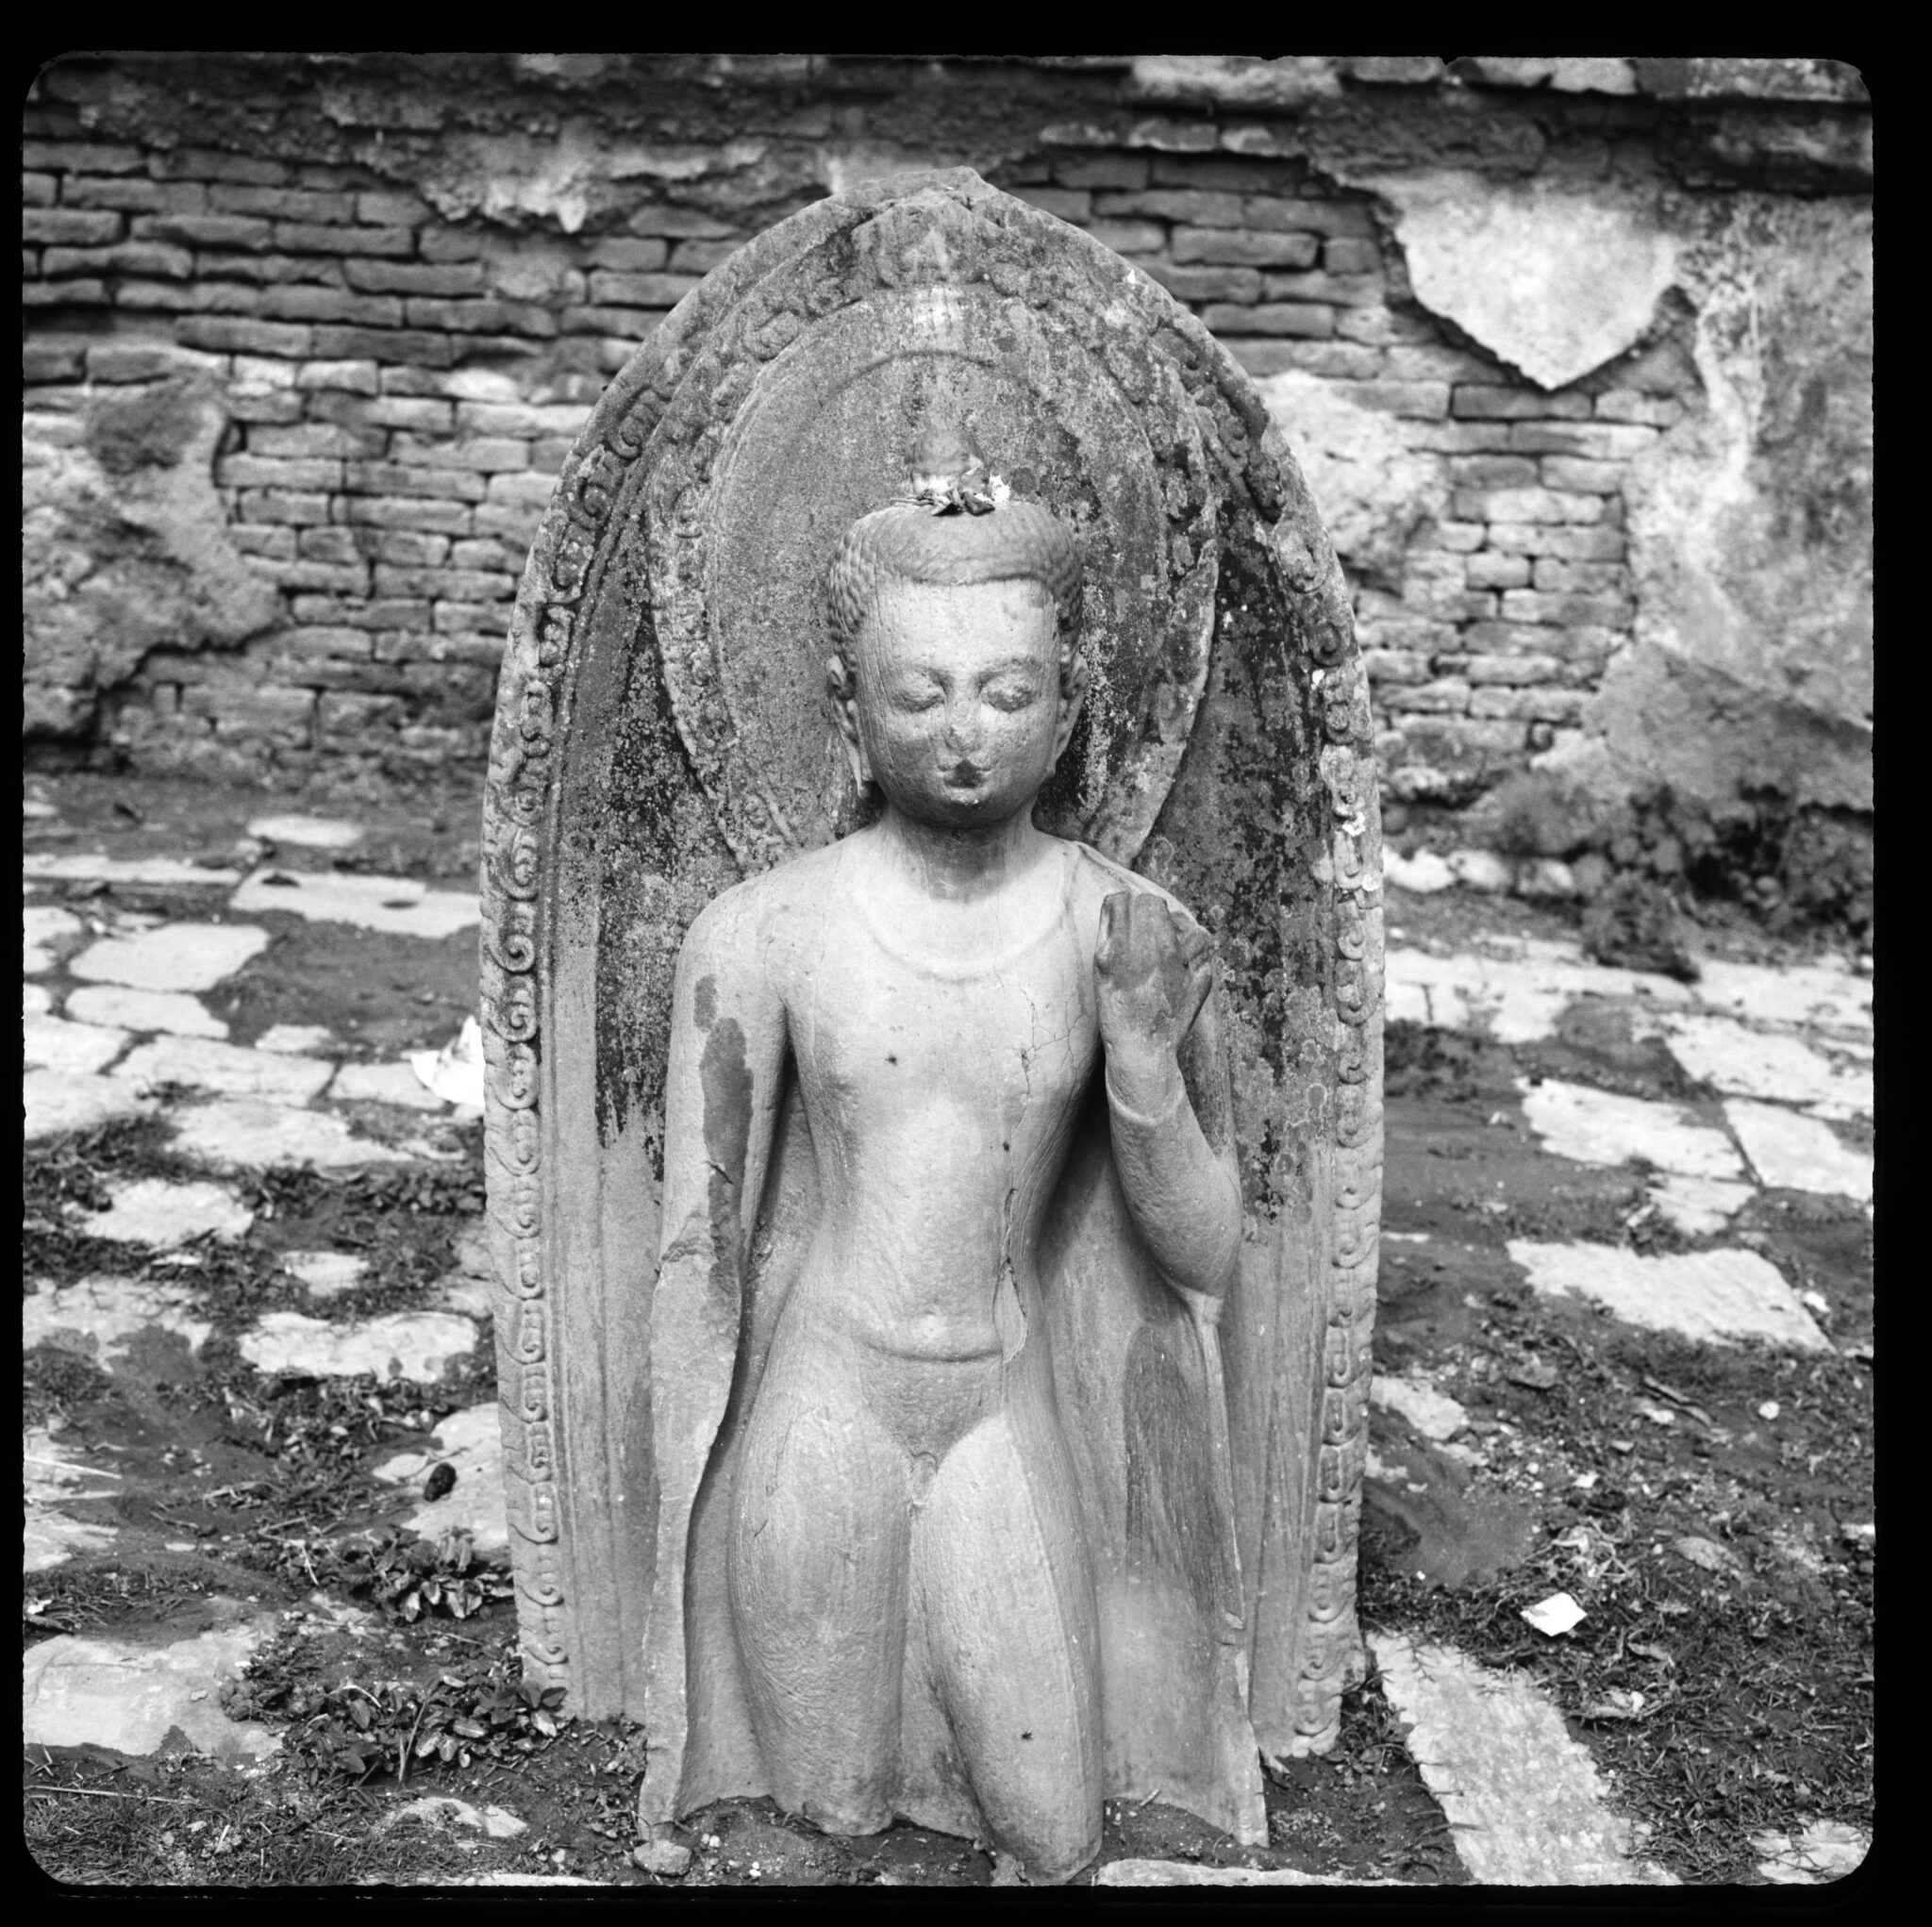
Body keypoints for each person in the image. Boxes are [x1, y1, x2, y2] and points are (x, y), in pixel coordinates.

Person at [650, 424, 1243, 1883]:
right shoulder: (763, 935)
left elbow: (1205, 1252)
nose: (964, 730)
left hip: (1000, 1413)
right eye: (919, 695)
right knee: (826, 1814)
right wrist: (663, 1589)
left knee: (1051, 1833)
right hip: (823, 1413)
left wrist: (1146, 1069)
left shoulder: (1131, 933)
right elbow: (697, 1250)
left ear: (1073, 709)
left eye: (1008, 691)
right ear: (851, 712)